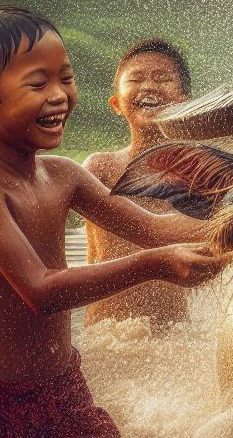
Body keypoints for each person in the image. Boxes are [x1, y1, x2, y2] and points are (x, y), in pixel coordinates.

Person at [0, 6, 226, 438]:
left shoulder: (64, 174)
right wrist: (157, 265)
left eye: (65, 78)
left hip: (63, 391)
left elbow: (157, 230)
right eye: (38, 83)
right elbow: (40, 291)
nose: (60, 95)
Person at [83, 39, 195, 326]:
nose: (148, 86)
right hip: (106, 331)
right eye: (135, 79)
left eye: (163, 78)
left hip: (174, 331)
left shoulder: (199, 174)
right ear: (116, 104)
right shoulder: (100, 168)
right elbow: (150, 231)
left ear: (185, 100)